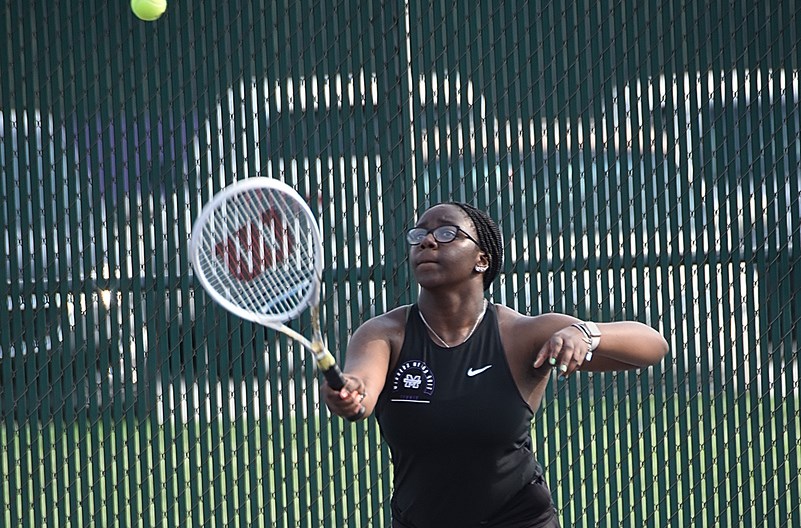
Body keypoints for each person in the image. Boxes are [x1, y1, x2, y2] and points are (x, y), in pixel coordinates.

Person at [323, 202, 669, 528]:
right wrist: (349, 394)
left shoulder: (520, 334)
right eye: (418, 235)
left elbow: (652, 345)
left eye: (446, 233)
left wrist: (586, 333)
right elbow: (361, 391)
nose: (427, 240)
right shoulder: (385, 333)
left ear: (482, 260)